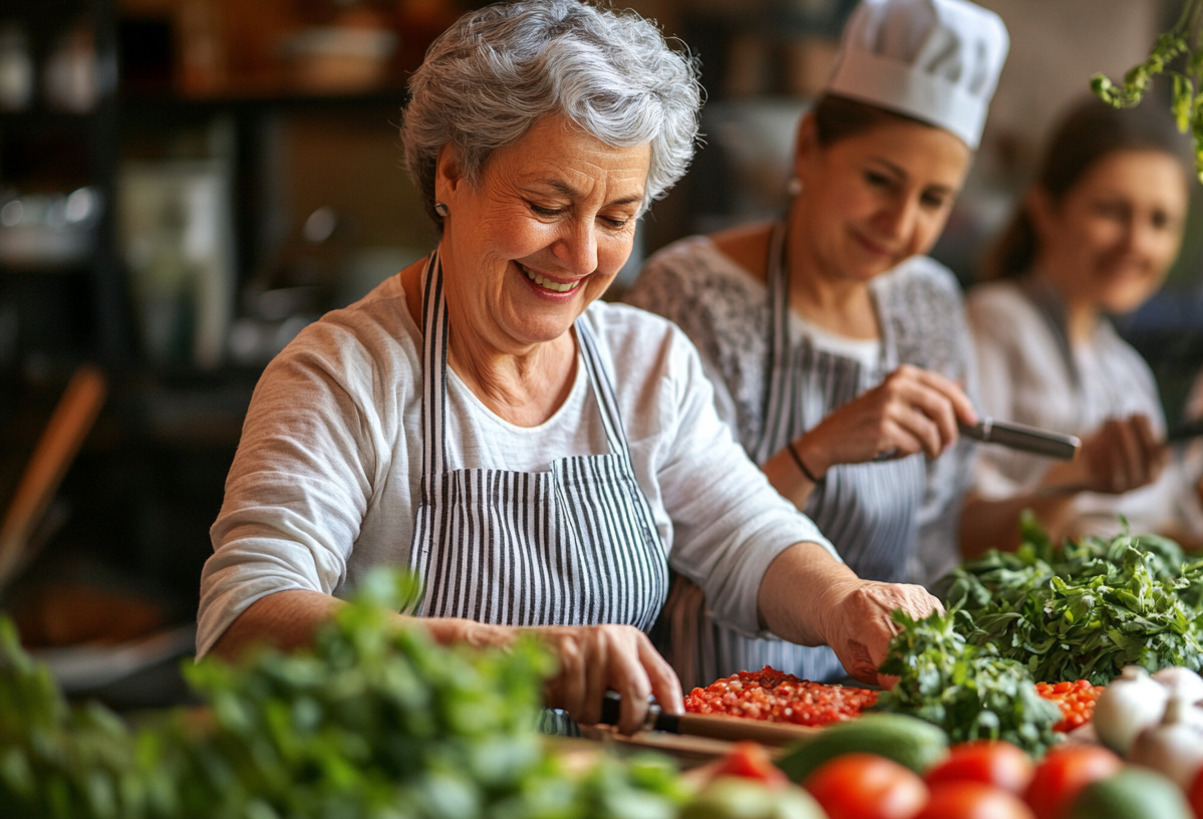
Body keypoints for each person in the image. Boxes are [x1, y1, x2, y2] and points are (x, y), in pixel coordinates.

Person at [195, 0, 942, 735]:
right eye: (550, 204)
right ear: (452, 175)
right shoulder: (343, 375)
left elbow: (748, 532)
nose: (582, 256)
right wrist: (507, 656)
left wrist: (844, 600)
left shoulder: (646, 363)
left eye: (617, 218)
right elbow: (244, 622)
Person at [625, 0, 1008, 688]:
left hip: (877, 705)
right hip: (714, 698)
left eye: (933, 200)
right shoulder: (692, 292)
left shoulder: (930, 302)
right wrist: (821, 447)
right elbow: (663, 551)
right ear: (808, 147)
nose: (899, 223)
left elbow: (929, 544)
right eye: (880, 181)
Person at [962, 96, 1203, 548]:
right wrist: (1072, 480)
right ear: (1045, 210)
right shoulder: (993, 322)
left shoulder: (1123, 366)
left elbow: (1162, 513)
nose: (1137, 242)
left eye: (1160, 221)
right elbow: (961, 532)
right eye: (1112, 211)